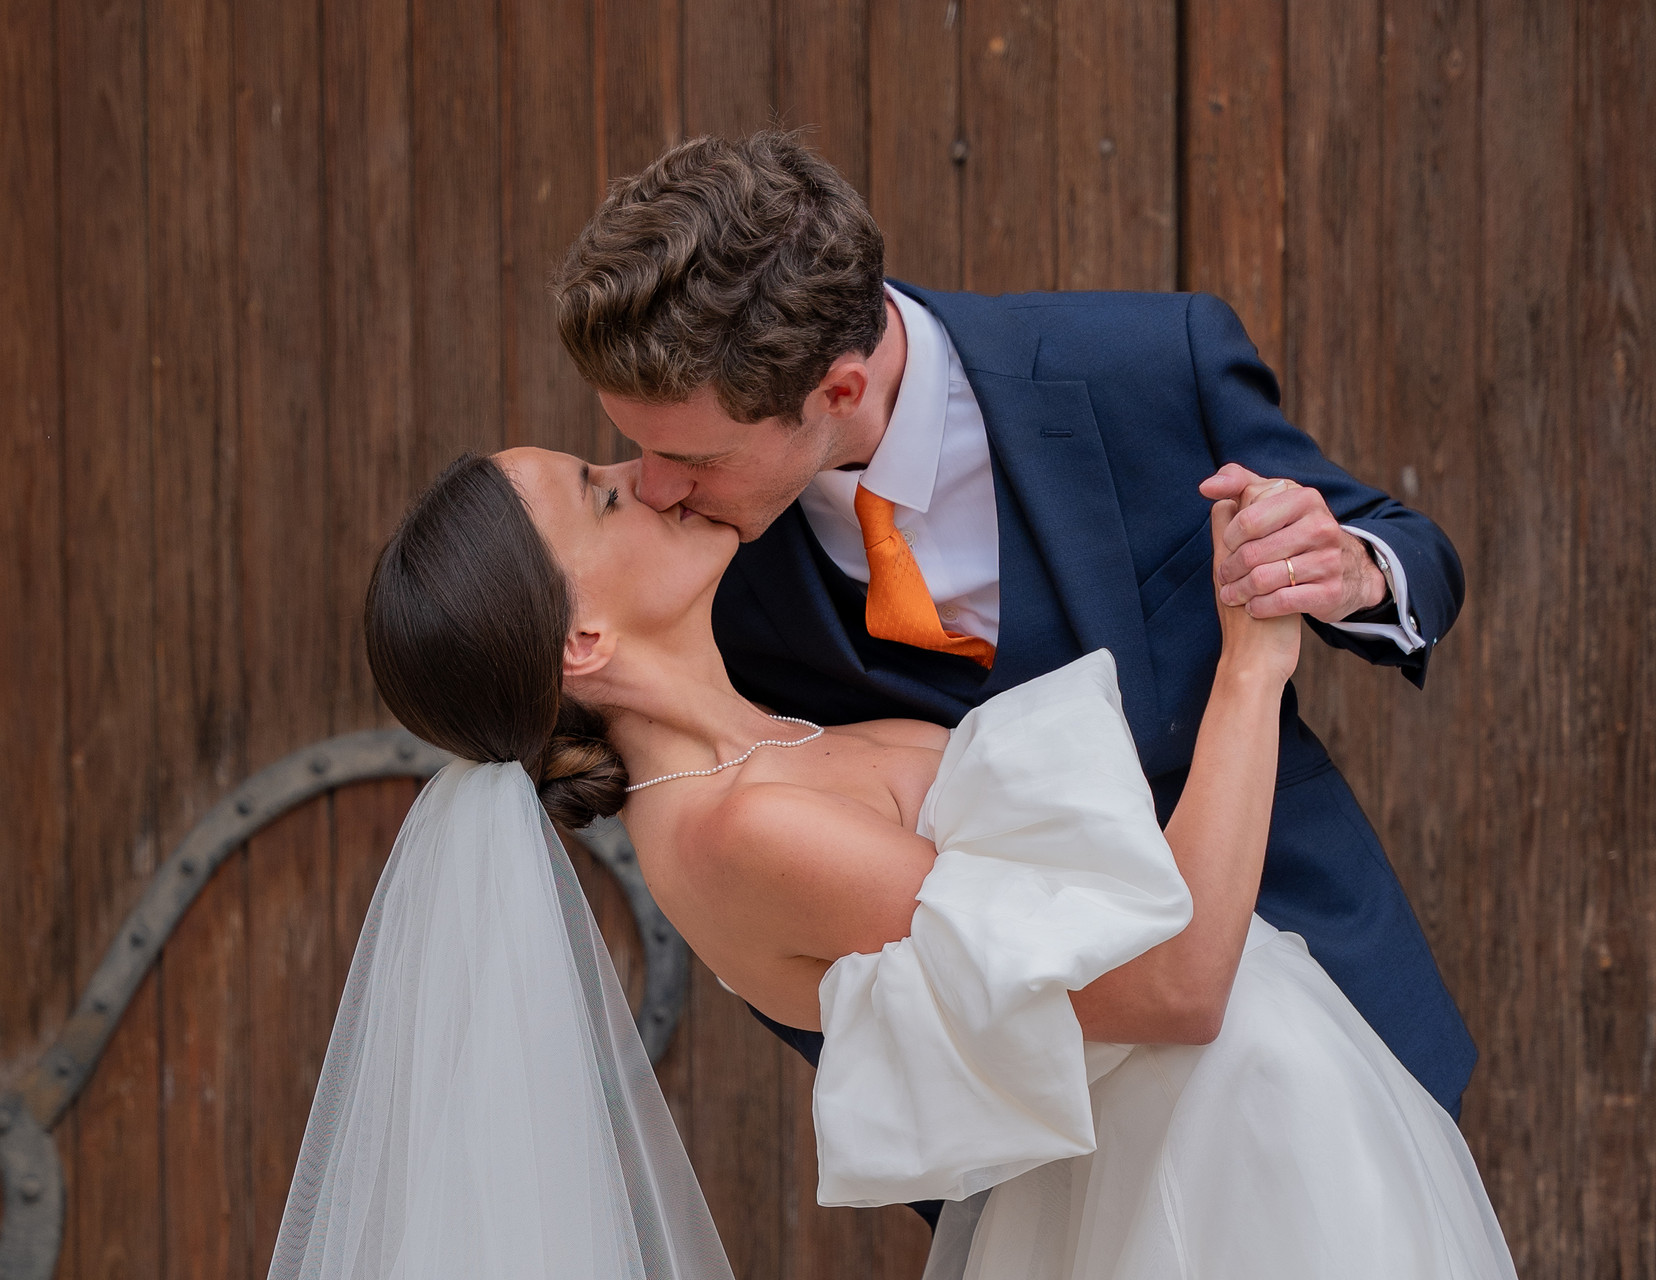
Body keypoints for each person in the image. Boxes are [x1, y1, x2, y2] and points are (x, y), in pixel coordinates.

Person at [269, 445, 1513, 1278]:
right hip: (1213, 1181)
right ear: (582, 636)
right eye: (602, 495)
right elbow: (1176, 986)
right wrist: (1253, 662)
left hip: (1279, 1109)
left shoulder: (783, 744)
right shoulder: (739, 831)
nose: (648, 479)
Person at [550, 131, 1476, 1141]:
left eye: (690, 454)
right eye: (638, 447)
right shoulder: (691, 578)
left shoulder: (1146, 364)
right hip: (1056, 1154)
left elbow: (1411, 549)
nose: (657, 485)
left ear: (840, 392)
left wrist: (1347, 565)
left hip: (1326, 1013)